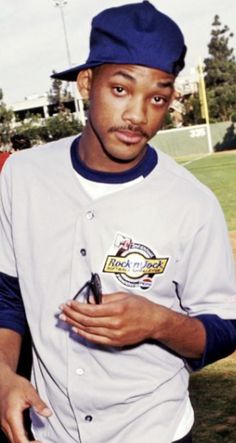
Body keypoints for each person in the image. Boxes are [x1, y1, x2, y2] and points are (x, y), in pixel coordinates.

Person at [0, 2, 236, 443]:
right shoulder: (22, 175)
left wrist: (160, 323)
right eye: (122, 89)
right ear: (88, 82)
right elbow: (7, 294)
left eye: (159, 97)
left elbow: (224, 329)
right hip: (50, 429)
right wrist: (2, 375)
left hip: (154, 430)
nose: (138, 115)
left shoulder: (192, 203)